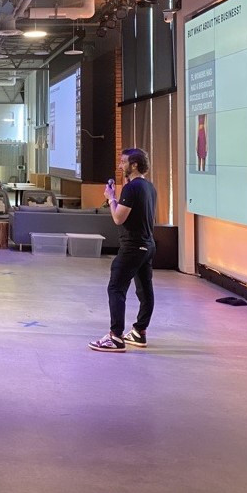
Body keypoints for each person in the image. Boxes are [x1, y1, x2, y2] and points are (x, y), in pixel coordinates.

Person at [89, 148, 158, 353]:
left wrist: (111, 198)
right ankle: (139, 331)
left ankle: (116, 337)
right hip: (148, 245)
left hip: (132, 246)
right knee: (145, 289)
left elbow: (119, 218)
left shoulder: (131, 188)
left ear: (134, 165)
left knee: (116, 288)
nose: (120, 166)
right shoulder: (149, 187)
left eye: (123, 162)